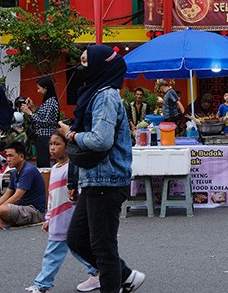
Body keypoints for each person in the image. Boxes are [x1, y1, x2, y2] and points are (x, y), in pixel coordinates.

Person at [57, 45, 146, 293]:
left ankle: (115, 282)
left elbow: (101, 140)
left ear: (100, 65)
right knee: (77, 239)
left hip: (107, 180)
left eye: (86, 62)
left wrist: (71, 135)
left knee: (103, 246)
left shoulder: (105, 96)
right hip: (94, 179)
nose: (80, 67)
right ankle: (126, 275)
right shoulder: (94, 93)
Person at [26, 132, 101, 293]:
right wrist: (48, 218)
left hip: (69, 217)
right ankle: (97, 272)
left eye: (57, 144)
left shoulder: (72, 169)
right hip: (57, 218)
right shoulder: (54, 169)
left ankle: (42, 285)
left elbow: (79, 193)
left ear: (68, 148)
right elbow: (52, 197)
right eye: (51, 144)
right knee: (77, 248)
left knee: (53, 253)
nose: (52, 148)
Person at [0, 141, 46, 229]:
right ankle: (4, 220)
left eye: (11, 156)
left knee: (2, 210)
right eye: (7, 156)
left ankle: (6, 221)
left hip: (34, 211)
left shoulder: (28, 171)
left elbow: (16, 197)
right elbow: (7, 194)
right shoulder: (14, 172)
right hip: (19, 207)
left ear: (21, 157)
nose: (8, 159)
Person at [22, 77, 61, 169]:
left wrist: (29, 112)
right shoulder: (48, 101)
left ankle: (45, 181)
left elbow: (45, 121)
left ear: (46, 88)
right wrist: (32, 107)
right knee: (41, 162)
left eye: (39, 88)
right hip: (42, 136)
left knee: (43, 164)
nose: (38, 91)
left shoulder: (51, 102)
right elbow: (42, 116)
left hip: (45, 136)